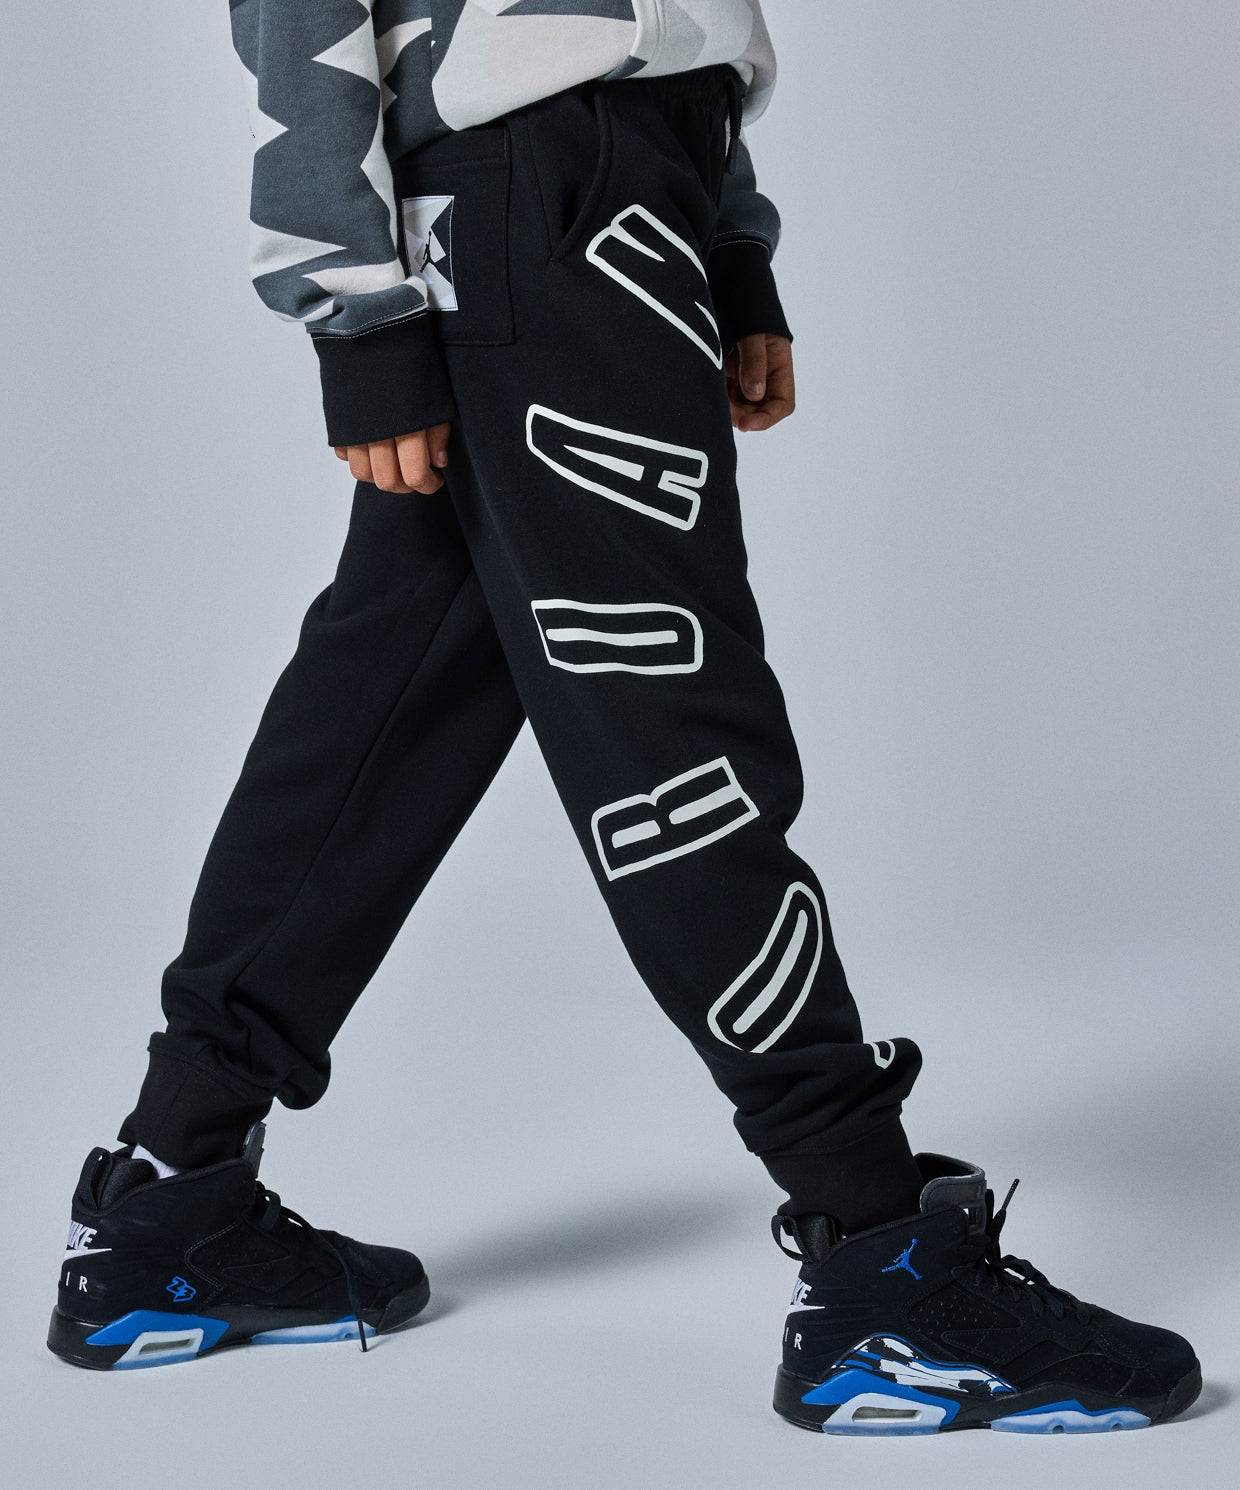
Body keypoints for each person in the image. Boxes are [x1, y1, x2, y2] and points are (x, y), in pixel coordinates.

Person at [48, 0, 1199, 1434]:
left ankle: (171, 1194)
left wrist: (728, 236)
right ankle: (879, 1261)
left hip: (618, 199)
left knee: (389, 704)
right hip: (536, 203)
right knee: (670, 722)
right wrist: (349, 296)